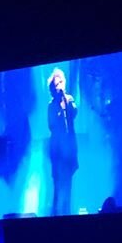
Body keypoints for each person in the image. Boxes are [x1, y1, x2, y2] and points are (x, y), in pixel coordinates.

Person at [47, 68, 78, 216]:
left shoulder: (69, 99)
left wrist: (65, 98)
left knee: (68, 186)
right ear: (52, 89)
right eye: (55, 85)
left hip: (69, 151)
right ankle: (57, 217)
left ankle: (68, 215)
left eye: (60, 83)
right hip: (57, 151)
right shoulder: (51, 106)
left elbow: (74, 114)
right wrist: (59, 107)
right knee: (58, 187)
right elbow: (52, 125)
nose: (58, 86)